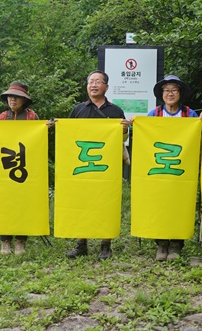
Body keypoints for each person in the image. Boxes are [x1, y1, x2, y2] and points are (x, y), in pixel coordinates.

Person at [65, 70, 131, 260]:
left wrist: (125, 130)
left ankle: (105, 244)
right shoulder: (78, 110)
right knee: (81, 203)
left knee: (106, 202)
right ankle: (81, 244)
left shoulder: (115, 111)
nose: (93, 85)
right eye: (90, 81)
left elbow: (122, 139)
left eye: (98, 82)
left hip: (107, 166)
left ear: (106, 87)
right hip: (82, 165)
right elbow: (69, 135)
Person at [148, 75, 202, 261]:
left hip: (182, 167)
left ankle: (176, 244)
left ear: (180, 93)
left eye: (174, 90)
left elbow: (199, 136)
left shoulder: (190, 114)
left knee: (181, 203)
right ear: (161, 94)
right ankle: (161, 243)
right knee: (160, 203)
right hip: (159, 167)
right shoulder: (154, 114)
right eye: (166, 90)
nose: (170, 93)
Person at [0, 81, 39, 256]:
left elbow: (37, 140)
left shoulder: (32, 117)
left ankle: (21, 240)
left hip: (25, 166)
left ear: (24, 100)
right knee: (4, 203)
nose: (12, 99)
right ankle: (5, 241)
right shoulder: (2, 117)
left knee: (23, 202)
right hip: (5, 167)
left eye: (16, 97)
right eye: (9, 97)